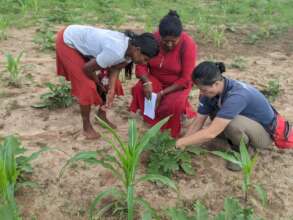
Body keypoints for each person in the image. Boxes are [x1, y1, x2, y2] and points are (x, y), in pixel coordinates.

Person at [176, 61, 293, 171]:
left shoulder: (237, 96)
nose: (201, 93)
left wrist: (180, 143)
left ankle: (242, 151)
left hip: (265, 133)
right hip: (246, 122)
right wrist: (183, 145)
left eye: (204, 90)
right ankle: (234, 137)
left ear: (216, 83)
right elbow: (198, 121)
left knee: (232, 124)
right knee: (217, 115)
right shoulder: (211, 92)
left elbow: (211, 133)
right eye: (199, 89)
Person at [56, 25, 159, 139]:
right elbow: (87, 69)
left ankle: (101, 115)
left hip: (85, 46)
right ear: (138, 50)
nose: (144, 63)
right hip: (68, 41)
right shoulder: (116, 50)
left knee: (113, 84)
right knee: (87, 86)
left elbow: (115, 68)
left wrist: (111, 88)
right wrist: (98, 85)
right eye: (145, 59)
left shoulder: (130, 51)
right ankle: (86, 127)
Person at [130, 10, 197, 138]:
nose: (169, 45)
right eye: (166, 41)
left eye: (173, 41)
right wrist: (146, 81)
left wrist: (162, 93)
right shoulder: (153, 39)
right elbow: (141, 64)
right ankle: (151, 118)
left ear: (180, 36)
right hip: (155, 79)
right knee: (140, 89)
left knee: (173, 106)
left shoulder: (188, 44)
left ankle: (170, 125)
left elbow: (186, 78)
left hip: (177, 84)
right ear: (160, 36)